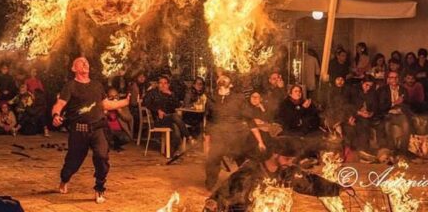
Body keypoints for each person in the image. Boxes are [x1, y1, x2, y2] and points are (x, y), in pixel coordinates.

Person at [51, 57, 130, 204]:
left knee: (101, 157)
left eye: (87, 61)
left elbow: (105, 104)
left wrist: (125, 102)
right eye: (81, 62)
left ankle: (99, 188)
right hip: (79, 131)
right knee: (73, 162)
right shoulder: (70, 86)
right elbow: (59, 104)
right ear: (74, 68)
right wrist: (56, 115)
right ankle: (64, 178)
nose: (86, 63)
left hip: (98, 129)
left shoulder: (97, 85)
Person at [204, 143, 343, 212]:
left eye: (291, 160)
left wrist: (337, 189)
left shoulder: (287, 172)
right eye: (287, 159)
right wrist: (213, 203)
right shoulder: (249, 173)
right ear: (275, 154)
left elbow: (310, 183)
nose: (290, 163)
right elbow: (225, 196)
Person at [204, 75, 248, 190]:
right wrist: (207, 140)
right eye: (220, 78)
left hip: (235, 134)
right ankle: (210, 184)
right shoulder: (211, 99)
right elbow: (208, 120)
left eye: (226, 79)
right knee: (213, 159)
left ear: (231, 84)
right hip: (218, 134)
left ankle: (244, 183)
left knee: (242, 159)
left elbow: (247, 116)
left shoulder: (238, 98)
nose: (223, 79)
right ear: (217, 82)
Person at [144, 75, 191, 156]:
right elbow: (145, 103)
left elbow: (178, 105)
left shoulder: (170, 93)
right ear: (158, 84)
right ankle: (189, 137)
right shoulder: (152, 93)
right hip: (159, 120)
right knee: (175, 117)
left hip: (170, 119)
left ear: (168, 85)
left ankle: (175, 151)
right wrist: (157, 110)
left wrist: (170, 94)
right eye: (161, 83)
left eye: (165, 83)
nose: (163, 85)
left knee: (175, 126)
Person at [377, 71, 411, 153]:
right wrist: (394, 103)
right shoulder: (382, 90)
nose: (394, 79)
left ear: (398, 79)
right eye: (392, 77)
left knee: (406, 126)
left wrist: (402, 103)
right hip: (388, 113)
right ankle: (392, 150)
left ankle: (403, 151)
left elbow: (408, 104)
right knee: (387, 126)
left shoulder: (403, 90)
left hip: (400, 114)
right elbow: (381, 106)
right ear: (388, 79)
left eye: (396, 77)